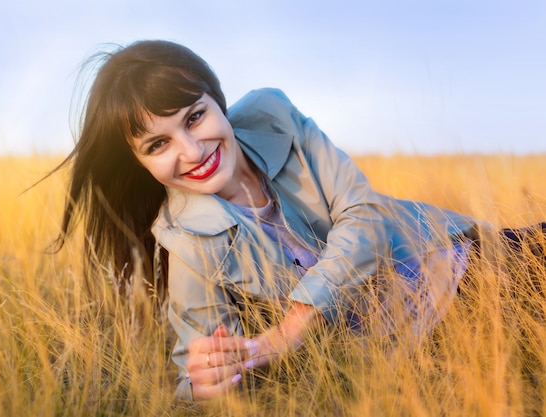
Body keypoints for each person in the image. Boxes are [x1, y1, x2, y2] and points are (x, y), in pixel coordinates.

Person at [53, 39, 546, 401]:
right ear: (138, 162)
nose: (191, 150)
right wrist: (205, 381)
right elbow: (202, 365)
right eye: (157, 145)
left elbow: (365, 215)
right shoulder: (184, 240)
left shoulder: (274, 114)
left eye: (194, 117)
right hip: (409, 350)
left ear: (217, 102)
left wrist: (293, 326)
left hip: (462, 260)